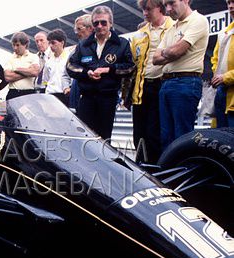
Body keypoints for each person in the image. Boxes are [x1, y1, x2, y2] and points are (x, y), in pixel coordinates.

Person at [67, 6, 135, 140]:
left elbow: (130, 67)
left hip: (108, 98)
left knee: (104, 138)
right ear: (92, 25)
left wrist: (109, 70)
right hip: (86, 98)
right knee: (85, 137)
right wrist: (87, 73)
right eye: (96, 23)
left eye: (103, 22)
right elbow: (70, 66)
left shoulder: (121, 43)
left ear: (111, 23)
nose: (99, 26)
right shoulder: (83, 45)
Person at [153, 0, 209, 150]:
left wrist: (170, 51)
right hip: (166, 83)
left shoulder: (198, 20)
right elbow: (155, 59)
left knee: (182, 136)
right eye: (166, 5)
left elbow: (175, 51)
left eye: (172, 3)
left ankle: (184, 170)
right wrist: (171, 51)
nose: (168, 9)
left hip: (186, 81)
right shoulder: (173, 27)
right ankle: (169, 171)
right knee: (166, 136)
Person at [130, 0, 174, 164]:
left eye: (148, 9)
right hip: (141, 87)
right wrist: (128, 94)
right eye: (143, 10)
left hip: (162, 85)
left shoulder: (173, 28)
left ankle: (156, 167)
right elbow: (133, 65)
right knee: (139, 133)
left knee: (155, 132)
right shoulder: (139, 34)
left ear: (160, 8)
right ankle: (141, 165)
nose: (145, 13)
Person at [211, 0, 234, 128]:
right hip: (222, 92)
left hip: (228, 88)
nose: (230, 6)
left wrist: (225, 77)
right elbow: (215, 58)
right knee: (220, 137)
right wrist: (217, 74)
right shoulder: (224, 33)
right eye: (228, 3)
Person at [4, 31, 40, 100]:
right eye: (13, 45)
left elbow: (35, 72)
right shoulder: (10, 58)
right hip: (13, 93)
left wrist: (17, 70)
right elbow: (8, 77)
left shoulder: (34, 56)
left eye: (17, 45)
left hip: (28, 93)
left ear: (25, 44)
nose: (15, 48)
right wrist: (28, 71)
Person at [69, 14, 94, 110]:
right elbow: (70, 67)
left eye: (79, 29)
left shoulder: (102, 47)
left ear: (90, 28)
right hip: (80, 95)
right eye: (75, 30)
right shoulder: (79, 48)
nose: (76, 33)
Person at [43, 29, 71, 106]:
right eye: (49, 43)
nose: (51, 46)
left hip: (65, 94)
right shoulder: (48, 62)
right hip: (50, 95)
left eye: (53, 43)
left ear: (62, 42)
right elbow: (45, 80)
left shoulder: (70, 58)